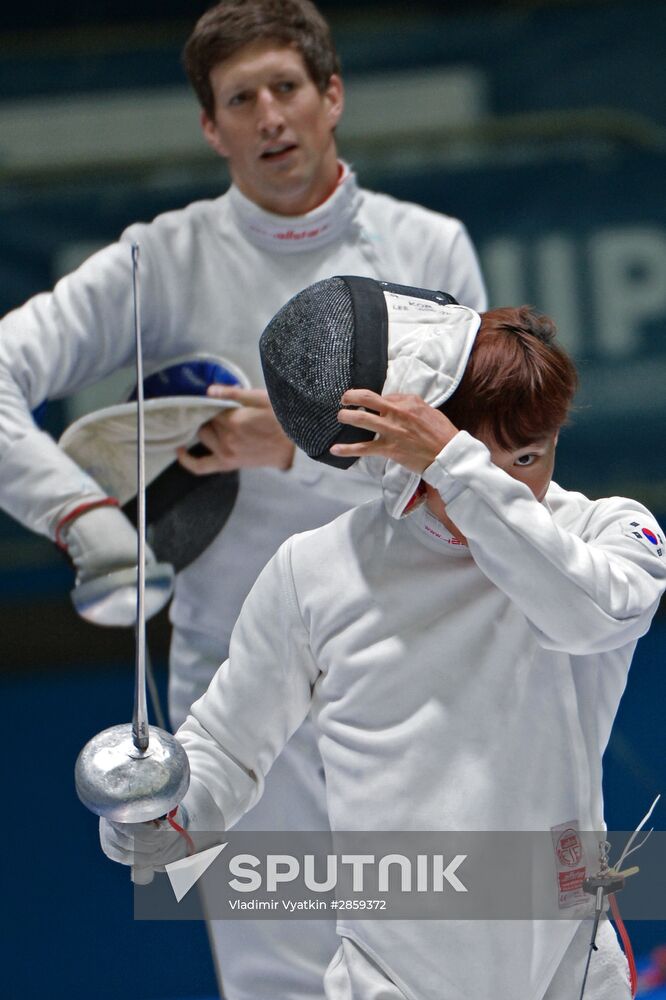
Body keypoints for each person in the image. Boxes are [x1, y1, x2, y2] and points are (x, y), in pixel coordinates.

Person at [0, 2, 486, 997]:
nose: (270, 115)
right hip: (233, 694)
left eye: (287, 88)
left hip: (413, 667)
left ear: (332, 97)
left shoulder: (429, 249)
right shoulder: (157, 261)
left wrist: (297, 447)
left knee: (462, 960)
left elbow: (489, 472)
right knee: (280, 982)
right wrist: (81, 516)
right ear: (210, 127)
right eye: (240, 98)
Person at [101, 291, 666, 1000]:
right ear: (405, 450)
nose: (513, 486)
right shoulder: (317, 571)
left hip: (570, 968)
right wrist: (166, 818)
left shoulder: (604, 534)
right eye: (475, 458)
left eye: (530, 456)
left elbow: (590, 617)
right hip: (392, 976)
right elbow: (226, 747)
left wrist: (461, 470)